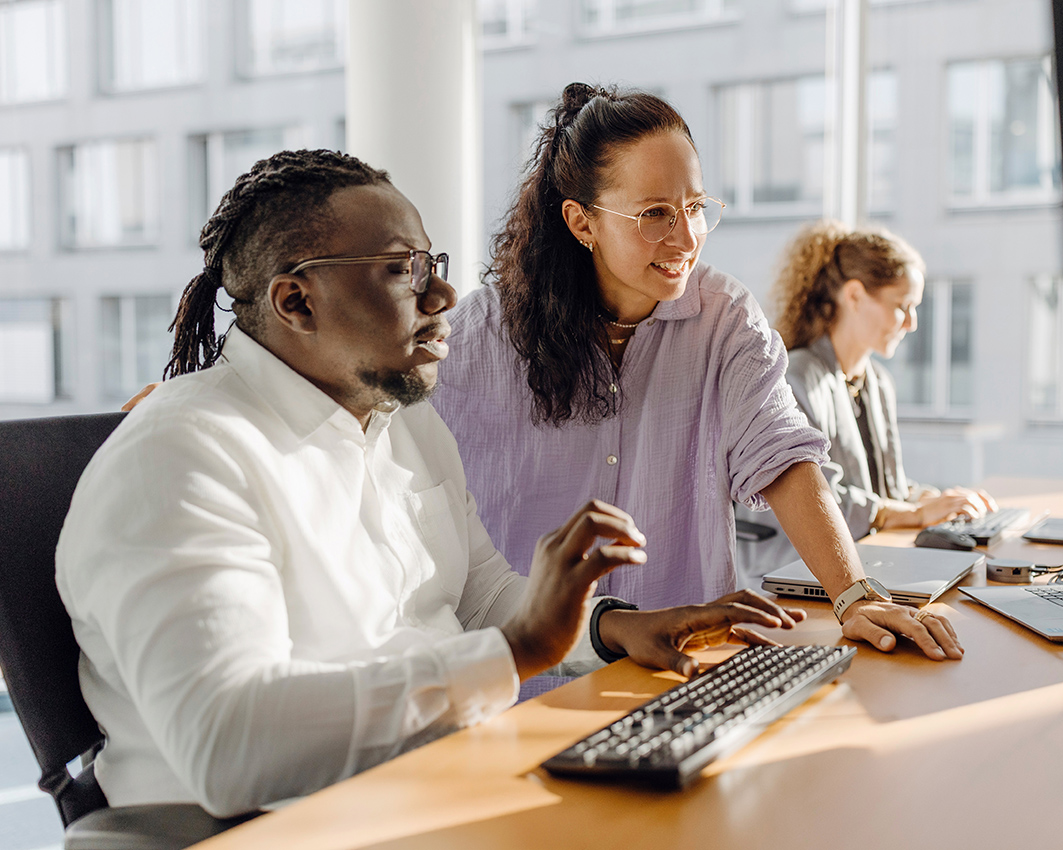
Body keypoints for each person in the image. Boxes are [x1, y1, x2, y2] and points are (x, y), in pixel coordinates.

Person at [55, 150, 805, 818]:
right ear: (295, 301)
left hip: (437, 787)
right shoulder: (181, 457)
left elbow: (477, 594)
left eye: (432, 263)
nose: (442, 297)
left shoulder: (399, 419)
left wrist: (610, 627)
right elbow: (228, 746)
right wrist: (511, 651)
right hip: (276, 825)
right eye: (401, 270)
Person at [430, 83, 963, 662]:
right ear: (582, 223)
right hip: (524, 686)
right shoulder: (471, 343)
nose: (686, 238)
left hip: (684, 669)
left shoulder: (724, 319)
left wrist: (854, 598)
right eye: (655, 214)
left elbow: (783, 457)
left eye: (695, 208)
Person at [738, 223, 997, 574]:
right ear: (855, 295)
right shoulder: (794, 378)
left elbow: (883, 488)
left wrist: (932, 500)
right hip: (796, 570)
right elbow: (818, 498)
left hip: (864, 556)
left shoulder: (875, 381)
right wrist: (918, 514)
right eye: (903, 305)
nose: (912, 323)